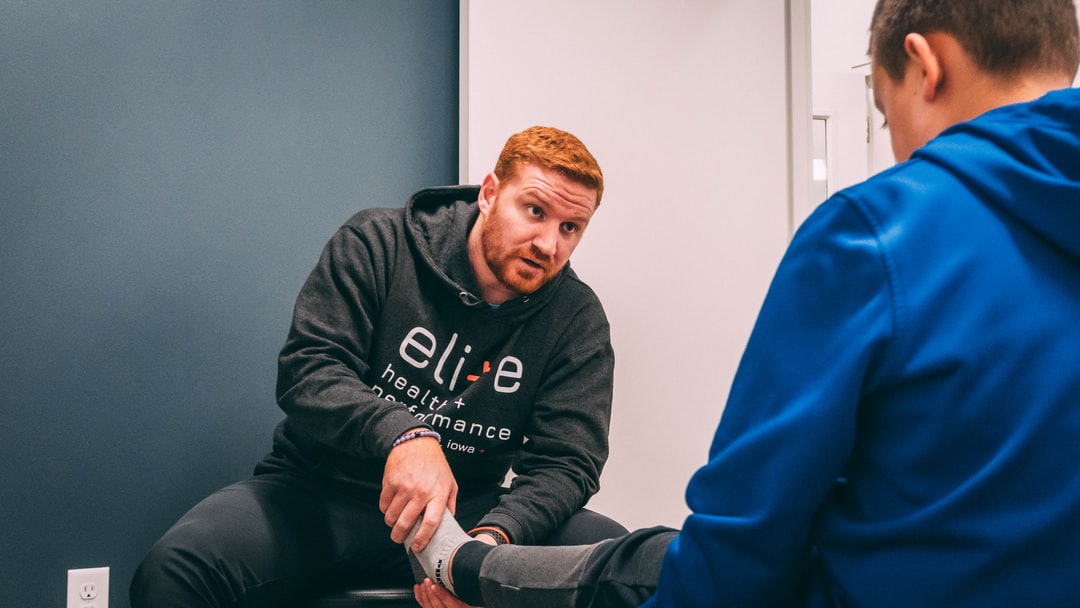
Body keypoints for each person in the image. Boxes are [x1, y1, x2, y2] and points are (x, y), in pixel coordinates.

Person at [403, 1, 1080, 606]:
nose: (898, 147)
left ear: (925, 66)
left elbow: (748, 530)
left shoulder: (876, 232)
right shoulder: (381, 248)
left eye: (884, 112)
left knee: (646, 562)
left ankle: (464, 566)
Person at [130, 125, 628, 607]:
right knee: (175, 570)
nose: (548, 244)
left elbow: (567, 461)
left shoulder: (576, 318)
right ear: (490, 193)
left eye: (570, 228)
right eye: (535, 211)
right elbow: (310, 368)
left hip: (465, 513)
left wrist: (491, 546)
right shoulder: (377, 243)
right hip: (321, 494)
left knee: (618, 568)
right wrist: (404, 435)